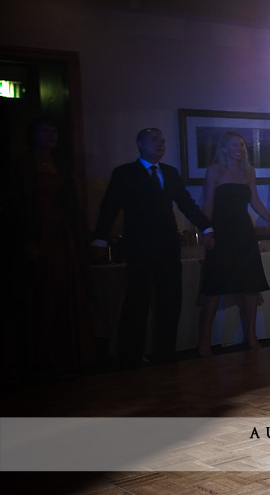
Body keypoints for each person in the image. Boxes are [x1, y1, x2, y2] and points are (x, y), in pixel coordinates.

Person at [91, 128, 214, 368]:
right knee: (138, 300)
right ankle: (131, 355)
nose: (160, 144)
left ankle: (166, 352)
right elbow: (109, 207)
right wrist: (99, 239)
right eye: (154, 140)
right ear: (140, 144)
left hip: (168, 245)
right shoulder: (125, 173)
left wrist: (207, 228)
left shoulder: (169, 173)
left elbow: (186, 204)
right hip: (139, 245)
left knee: (171, 299)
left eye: (163, 141)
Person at [2, 116, 95, 381]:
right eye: (46, 130)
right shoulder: (19, 167)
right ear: (33, 135)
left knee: (62, 294)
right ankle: (37, 357)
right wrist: (25, 242)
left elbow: (71, 205)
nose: (52, 134)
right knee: (37, 296)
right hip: (35, 235)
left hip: (61, 237)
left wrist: (85, 237)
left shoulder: (62, 166)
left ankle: (64, 356)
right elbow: (12, 209)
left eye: (55, 130)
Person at [197, 131, 270, 356]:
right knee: (214, 287)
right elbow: (208, 204)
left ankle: (251, 335)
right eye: (234, 145)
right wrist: (206, 232)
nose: (239, 148)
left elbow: (255, 201)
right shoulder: (214, 171)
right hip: (221, 232)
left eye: (242, 145)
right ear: (224, 147)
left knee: (250, 285)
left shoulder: (248, 171)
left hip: (243, 232)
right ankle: (204, 341)